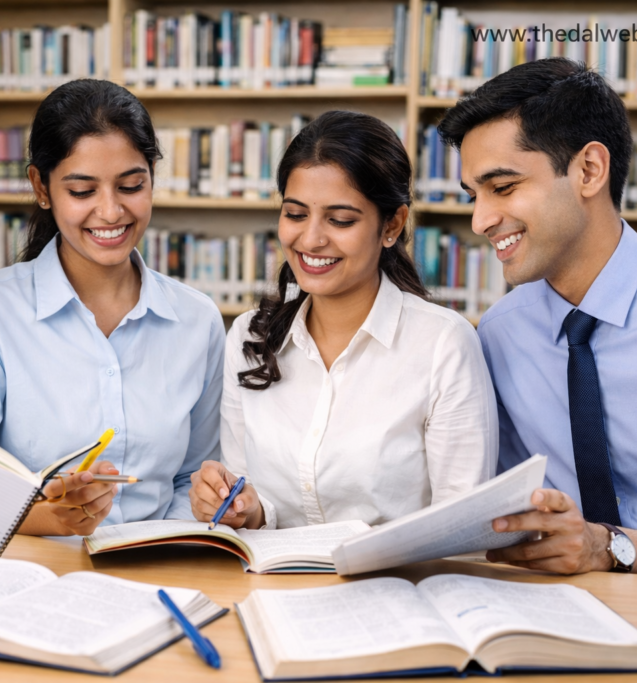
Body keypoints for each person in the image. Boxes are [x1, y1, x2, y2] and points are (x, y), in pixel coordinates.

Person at [438, 57, 637, 578]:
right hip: (556, 607)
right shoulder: (501, 334)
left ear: (589, 170)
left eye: (502, 188)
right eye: (473, 195)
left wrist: (606, 547)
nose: (480, 220)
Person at [0, 79, 225, 536]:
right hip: (37, 573)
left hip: (161, 566)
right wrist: (52, 515)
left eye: (131, 185)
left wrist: (206, 509)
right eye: (82, 191)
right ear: (41, 188)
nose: (110, 212)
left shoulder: (198, 319)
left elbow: (193, 477)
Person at [188, 110, 498, 530]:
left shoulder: (444, 345)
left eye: (340, 220)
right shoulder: (249, 337)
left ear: (392, 225)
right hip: (274, 585)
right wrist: (242, 508)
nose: (311, 239)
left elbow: (462, 527)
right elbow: (249, 502)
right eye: (295, 214)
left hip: (397, 588)